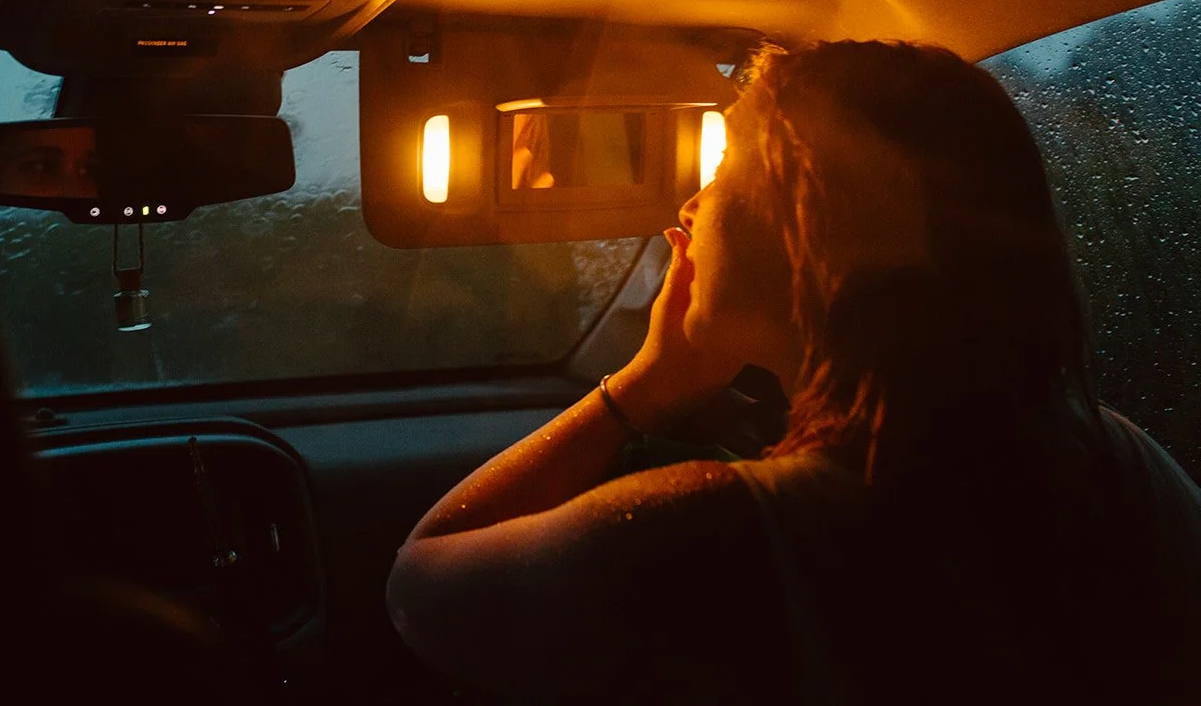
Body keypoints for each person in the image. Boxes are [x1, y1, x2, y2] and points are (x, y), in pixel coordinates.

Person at [386, 40, 1201, 705]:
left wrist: (647, 386)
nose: (692, 204)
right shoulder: (1121, 463)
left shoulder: (733, 528)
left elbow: (419, 584)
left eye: (725, 166)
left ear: (810, 225)